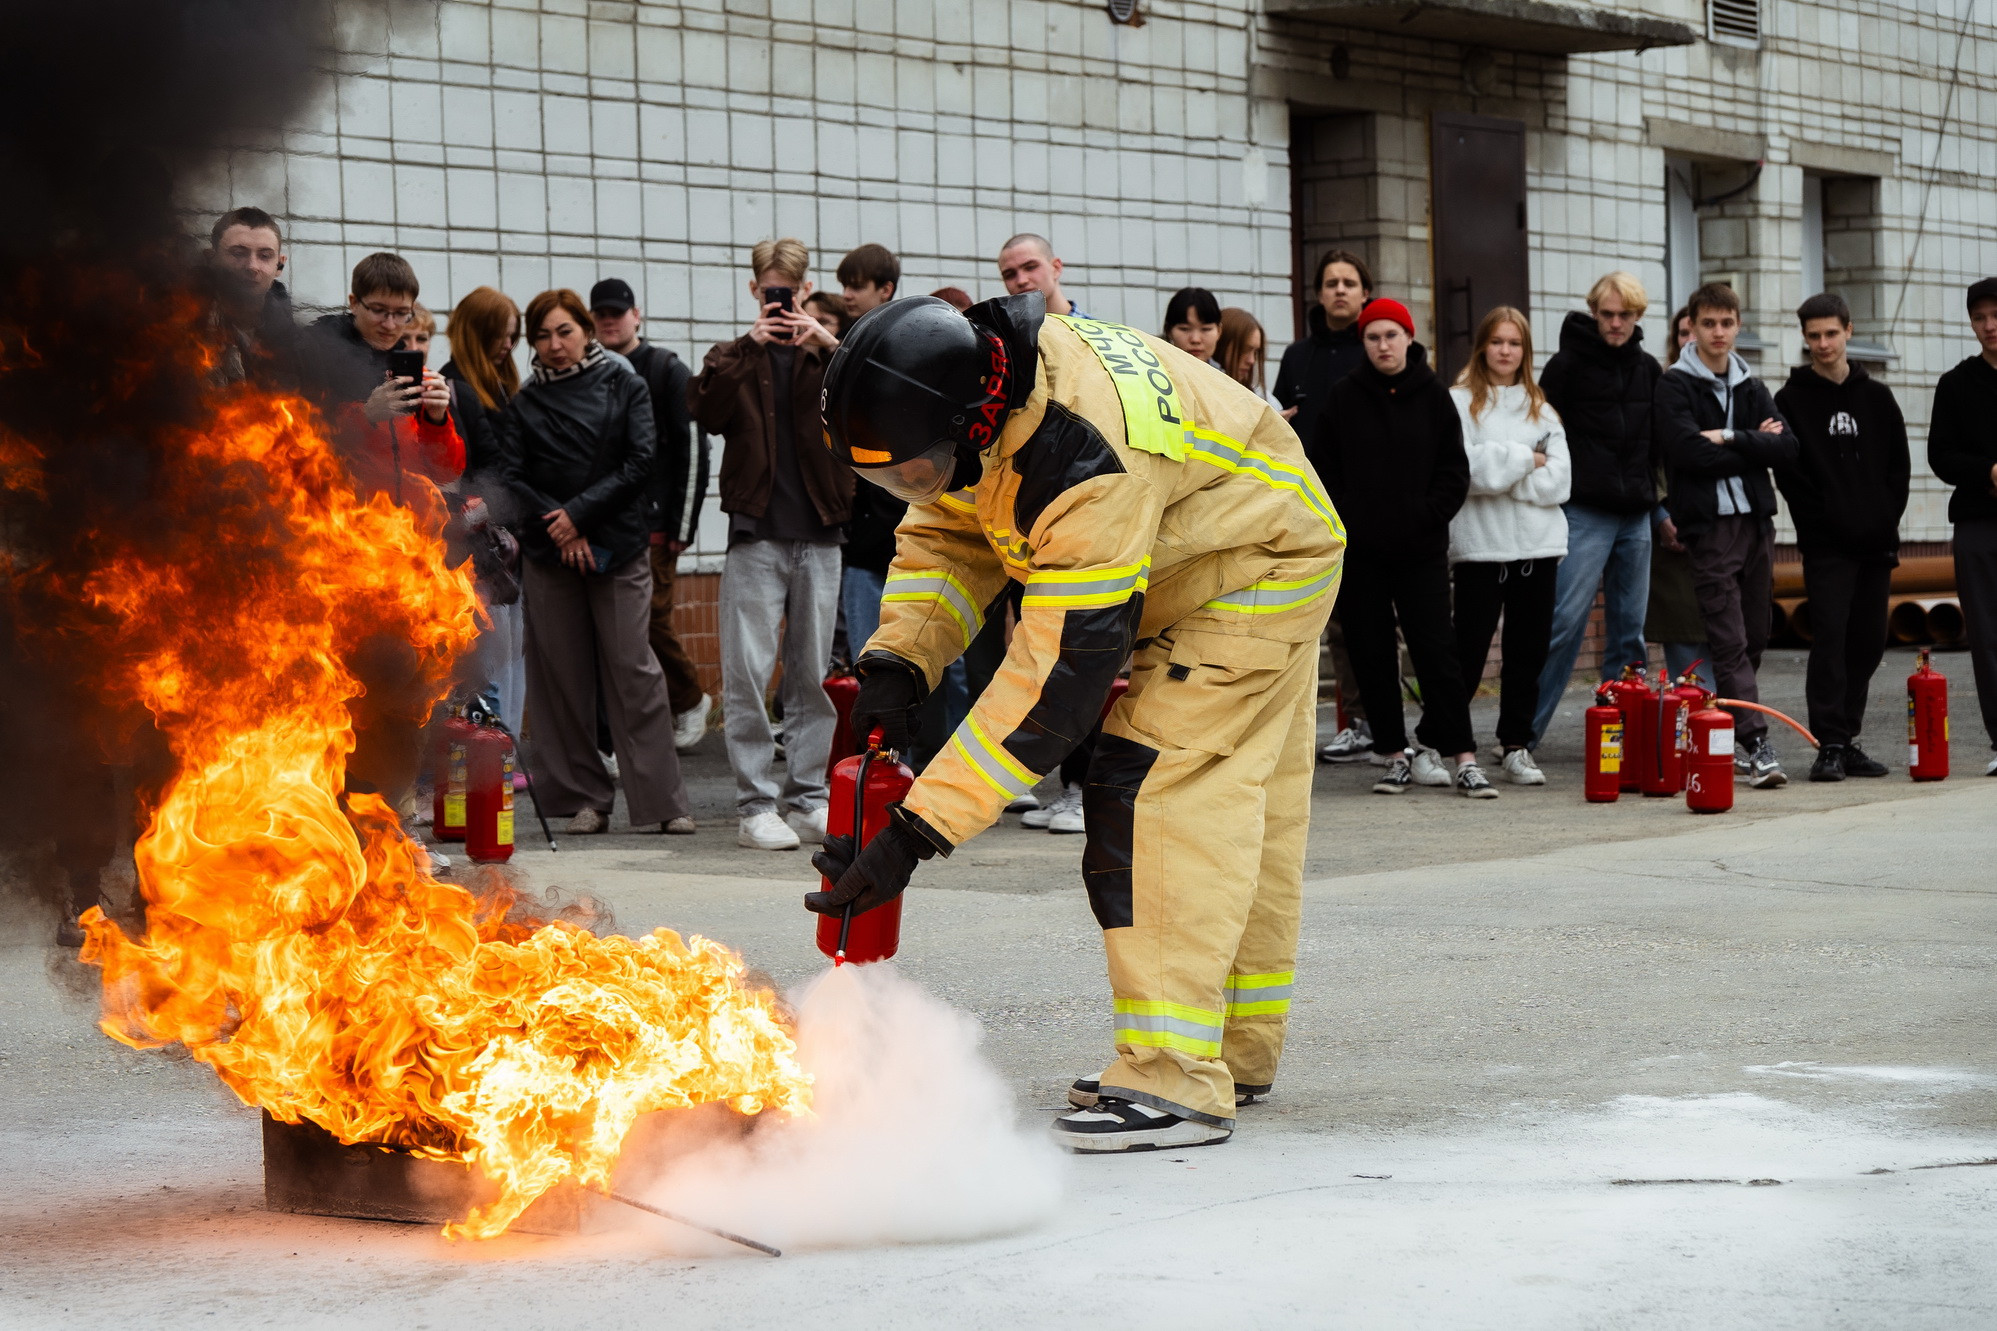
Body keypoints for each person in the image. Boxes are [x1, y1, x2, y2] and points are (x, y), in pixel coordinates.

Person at [814, 291, 1343, 1153]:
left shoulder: (1077, 455)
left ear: (973, 421)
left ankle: (1174, 1076)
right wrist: (899, 658)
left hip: (1252, 566)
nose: (907, 488)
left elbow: (1054, 680)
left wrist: (918, 829)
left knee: (1157, 789)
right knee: (1244, 806)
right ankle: (1226, 1052)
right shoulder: (980, 400)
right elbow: (949, 536)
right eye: (885, 479)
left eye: (910, 469)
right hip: (1223, 539)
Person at [496, 289, 694, 836]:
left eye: (565, 331)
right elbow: (511, 477)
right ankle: (585, 797)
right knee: (563, 678)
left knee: (634, 670)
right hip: (550, 550)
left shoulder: (625, 382)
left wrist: (579, 516)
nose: (555, 345)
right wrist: (560, 527)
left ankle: (662, 802)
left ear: (585, 330)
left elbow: (640, 461)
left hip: (619, 547)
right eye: (543, 335)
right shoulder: (526, 401)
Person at [689, 239, 850, 851]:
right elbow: (702, 408)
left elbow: (871, 399)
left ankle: (807, 799)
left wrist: (828, 343)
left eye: (789, 290)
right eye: (768, 290)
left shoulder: (825, 355)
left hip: (823, 529)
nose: (779, 301)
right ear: (754, 291)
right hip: (756, 532)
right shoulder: (733, 355)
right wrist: (749, 345)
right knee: (747, 674)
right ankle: (754, 804)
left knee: (811, 676)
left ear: (806, 291)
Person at [1316, 299, 1487, 796]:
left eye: (1392, 335)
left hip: (1421, 551)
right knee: (1371, 653)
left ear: (1409, 339)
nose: (1383, 345)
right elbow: (1324, 472)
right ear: (1362, 342)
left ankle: (1464, 757)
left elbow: (1453, 472)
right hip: (1364, 553)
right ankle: (1392, 753)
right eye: (1373, 337)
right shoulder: (1343, 398)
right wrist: (1353, 521)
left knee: (1437, 652)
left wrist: (1425, 516)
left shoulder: (1433, 395)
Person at [1655, 281, 1796, 788]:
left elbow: (1788, 450)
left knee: (1756, 634)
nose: (1718, 333)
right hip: (1709, 528)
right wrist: (1755, 444)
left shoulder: (1751, 385)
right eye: (1708, 323)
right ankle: (1758, 746)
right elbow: (1688, 454)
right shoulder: (1674, 385)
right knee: (1728, 639)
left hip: (1757, 524)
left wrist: (1732, 436)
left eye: (1727, 323)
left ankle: (1732, 729)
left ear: (1738, 326)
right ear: (1691, 327)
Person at [1773, 293, 1908, 782]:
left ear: (1849, 330)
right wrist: (1822, 524)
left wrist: (1882, 520)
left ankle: (1848, 739)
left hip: (1875, 543)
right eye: (1814, 336)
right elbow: (1790, 475)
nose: (1823, 344)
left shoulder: (1878, 397)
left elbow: (1899, 469)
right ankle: (1827, 743)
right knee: (1830, 638)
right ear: (1804, 338)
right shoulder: (1790, 400)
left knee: (1868, 641)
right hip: (1827, 546)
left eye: (1831, 333)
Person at [1532, 272, 1663, 746]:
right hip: (1585, 511)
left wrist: (1659, 503)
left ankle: (1621, 731)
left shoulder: (1649, 368)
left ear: (1637, 316)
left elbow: (1657, 443)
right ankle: (1523, 736)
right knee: (1563, 623)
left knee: (1630, 631)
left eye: (1624, 315)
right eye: (1606, 314)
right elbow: (1542, 432)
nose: (1615, 323)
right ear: (1594, 312)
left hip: (1637, 515)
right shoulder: (1565, 366)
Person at [1448, 308, 1570, 784]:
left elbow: (1560, 481)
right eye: (1497, 342)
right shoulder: (1460, 403)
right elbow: (1466, 471)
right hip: (1481, 548)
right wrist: (1526, 459)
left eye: (1514, 343)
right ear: (1482, 346)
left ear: (1525, 351)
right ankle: (1448, 742)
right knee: (1469, 652)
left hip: (1538, 548)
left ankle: (1515, 744)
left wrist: (1505, 475)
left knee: (1528, 653)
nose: (1505, 351)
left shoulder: (1542, 408)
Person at [590, 277, 712, 753]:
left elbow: (695, 449)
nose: (609, 321)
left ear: (636, 315)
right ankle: (647, 717)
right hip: (607, 525)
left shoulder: (664, 369)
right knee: (622, 628)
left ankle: (689, 699)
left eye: (617, 313)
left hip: (657, 525)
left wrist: (683, 526)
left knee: (649, 621)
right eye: (600, 314)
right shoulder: (592, 370)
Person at [1279, 249, 1372, 761]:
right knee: (1330, 622)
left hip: (1369, 502)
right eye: (1331, 282)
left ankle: (1384, 723)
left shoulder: (1379, 347)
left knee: (1368, 618)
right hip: (1310, 504)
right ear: (1318, 293)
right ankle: (1354, 721)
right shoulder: (1299, 356)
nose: (1339, 290)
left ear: (1364, 292)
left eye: (1349, 282)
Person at [299, 252, 465, 506]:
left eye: (401, 313)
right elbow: (297, 446)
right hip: (340, 522)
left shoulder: (405, 363)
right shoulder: (316, 352)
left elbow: (444, 472)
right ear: (354, 303)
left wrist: (437, 418)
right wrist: (365, 415)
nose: (390, 324)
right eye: (379, 311)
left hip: (407, 528)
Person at [443, 286, 528, 729]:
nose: (508, 345)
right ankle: (492, 757)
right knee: (491, 659)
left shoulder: (496, 385)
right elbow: (470, 470)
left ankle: (504, 755)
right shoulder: (454, 387)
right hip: (482, 544)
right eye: (500, 334)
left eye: (514, 336)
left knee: (512, 655)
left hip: (509, 542)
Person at [1925, 276, 1997, 778]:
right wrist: (1988, 473)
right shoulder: (1956, 384)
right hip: (1978, 524)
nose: (1990, 327)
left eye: (1996, 316)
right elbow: (1940, 454)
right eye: (1980, 318)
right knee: (1989, 636)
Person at [1648, 307, 1708, 680]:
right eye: (1683, 333)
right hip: (1672, 526)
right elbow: (1646, 458)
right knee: (1682, 633)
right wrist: (1660, 514)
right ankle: (1689, 725)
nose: (1690, 341)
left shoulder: (1734, 387)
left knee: (1723, 633)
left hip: (1719, 526)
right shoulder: (1661, 388)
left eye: (1695, 332)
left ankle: (1721, 724)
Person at [206, 206, 298, 387]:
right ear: (211, 259)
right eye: (238, 254)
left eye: (264, 256)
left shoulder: (300, 346)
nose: (252, 266)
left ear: (279, 266)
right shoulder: (182, 333)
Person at [997, 233, 1086, 317]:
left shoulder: (1096, 332)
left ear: (1056, 267)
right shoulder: (1000, 333)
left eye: (1030, 267)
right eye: (1009, 275)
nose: (1021, 280)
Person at [1217, 307, 1277, 406]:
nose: (1252, 360)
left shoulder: (1262, 399)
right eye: (1244, 350)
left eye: (1255, 352)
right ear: (1221, 344)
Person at [1162, 287, 1222, 364]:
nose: (1195, 340)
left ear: (1219, 331)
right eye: (1184, 329)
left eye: (1206, 329)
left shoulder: (1224, 375)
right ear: (1168, 331)